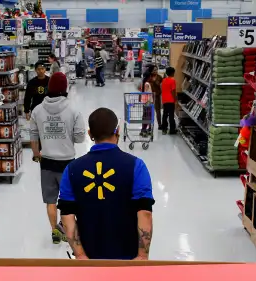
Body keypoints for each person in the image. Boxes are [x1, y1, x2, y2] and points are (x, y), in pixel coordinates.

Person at [58, 108, 155, 260]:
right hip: (127, 257)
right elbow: (145, 213)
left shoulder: (71, 169)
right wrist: (142, 256)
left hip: (90, 258)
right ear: (117, 131)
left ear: (90, 134)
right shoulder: (136, 166)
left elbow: (67, 217)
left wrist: (81, 255)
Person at [29, 72, 85, 244]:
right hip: (67, 163)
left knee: (50, 200)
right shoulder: (73, 110)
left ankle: (55, 231)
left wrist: (37, 154)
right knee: (68, 200)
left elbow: (33, 135)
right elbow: (80, 137)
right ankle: (68, 231)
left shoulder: (37, 110)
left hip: (46, 162)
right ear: (65, 88)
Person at [144, 65, 163, 131]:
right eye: (154, 70)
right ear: (151, 70)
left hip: (157, 96)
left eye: (156, 70)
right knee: (149, 112)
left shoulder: (160, 77)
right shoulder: (148, 77)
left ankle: (160, 125)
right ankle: (149, 126)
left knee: (158, 111)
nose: (156, 71)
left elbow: (160, 85)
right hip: (149, 97)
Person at [161, 66, 177, 134]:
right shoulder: (173, 80)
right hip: (171, 100)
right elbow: (173, 91)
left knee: (165, 114)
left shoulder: (164, 80)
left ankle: (164, 128)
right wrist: (175, 98)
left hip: (164, 99)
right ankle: (172, 130)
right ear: (173, 73)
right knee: (171, 115)